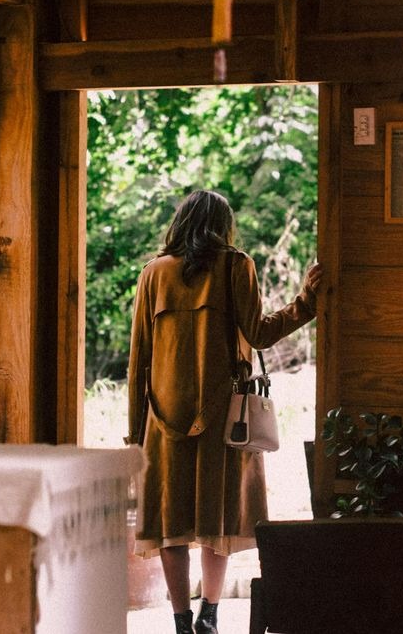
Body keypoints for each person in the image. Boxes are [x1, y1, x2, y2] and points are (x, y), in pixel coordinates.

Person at [127, 189, 322, 634]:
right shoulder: (237, 266)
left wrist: (135, 433)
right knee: (218, 518)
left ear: (179, 224)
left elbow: (138, 360)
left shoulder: (152, 274)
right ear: (223, 226)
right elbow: (259, 333)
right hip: (224, 419)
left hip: (161, 421)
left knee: (169, 523)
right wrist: (305, 302)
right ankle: (209, 616)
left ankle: (179, 621)